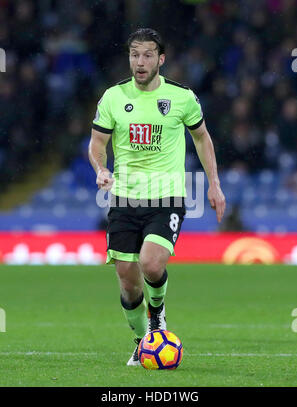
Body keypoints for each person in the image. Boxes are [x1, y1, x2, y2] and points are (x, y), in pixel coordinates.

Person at [88, 28, 226, 366]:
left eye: (148, 54)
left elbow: (202, 137)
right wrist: (100, 170)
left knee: (151, 263)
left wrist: (214, 183)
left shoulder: (181, 98)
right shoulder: (113, 98)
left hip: (167, 196)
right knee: (127, 280)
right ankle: (141, 341)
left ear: (161, 59)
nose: (140, 61)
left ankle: (157, 319)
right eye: (135, 54)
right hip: (123, 198)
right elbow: (97, 144)